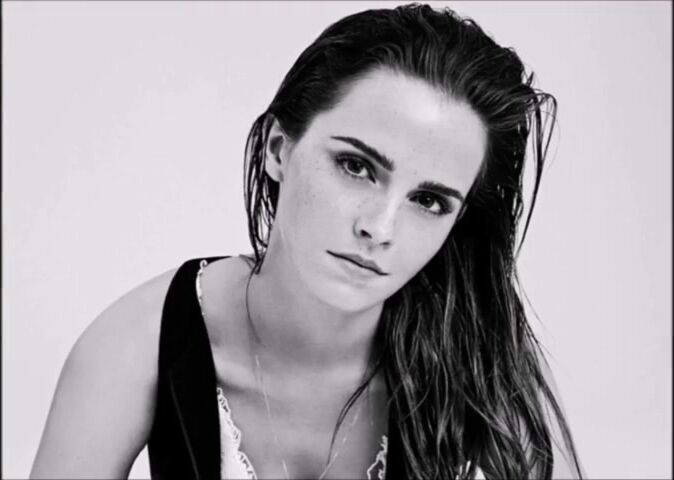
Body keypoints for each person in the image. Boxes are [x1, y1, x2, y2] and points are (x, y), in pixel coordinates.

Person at [30, 3, 585, 479]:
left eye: (428, 201)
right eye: (356, 166)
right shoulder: (136, 344)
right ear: (278, 149)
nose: (380, 228)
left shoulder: (480, 358)